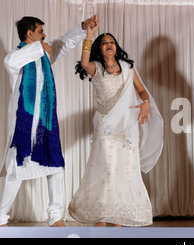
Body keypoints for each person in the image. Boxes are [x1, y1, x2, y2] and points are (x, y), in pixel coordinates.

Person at [0, 16, 97, 227]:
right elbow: (9, 62)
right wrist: (39, 47)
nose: (44, 35)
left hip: (46, 124)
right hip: (25, 125)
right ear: (30, 34)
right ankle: (1, 217)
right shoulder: (18, 57)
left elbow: (63, 43)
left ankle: (55, 216)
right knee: (17, 169)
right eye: (40, 31)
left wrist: (83, 28)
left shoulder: (44, 54)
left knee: (56, 167)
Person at [68, 16, 163, 227]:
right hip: (106, 125)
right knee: (108, 169)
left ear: (116, 47)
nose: (109, 45)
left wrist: (146, 102)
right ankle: (103, 217)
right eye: (104, 43)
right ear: (99, 49)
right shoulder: (95, 68)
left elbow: (140, 89)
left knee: (126, 168)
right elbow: (83, 63)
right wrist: (89, 35)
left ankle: (119, 218)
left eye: (111, 42)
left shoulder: (127, 67)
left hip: (128, 126)